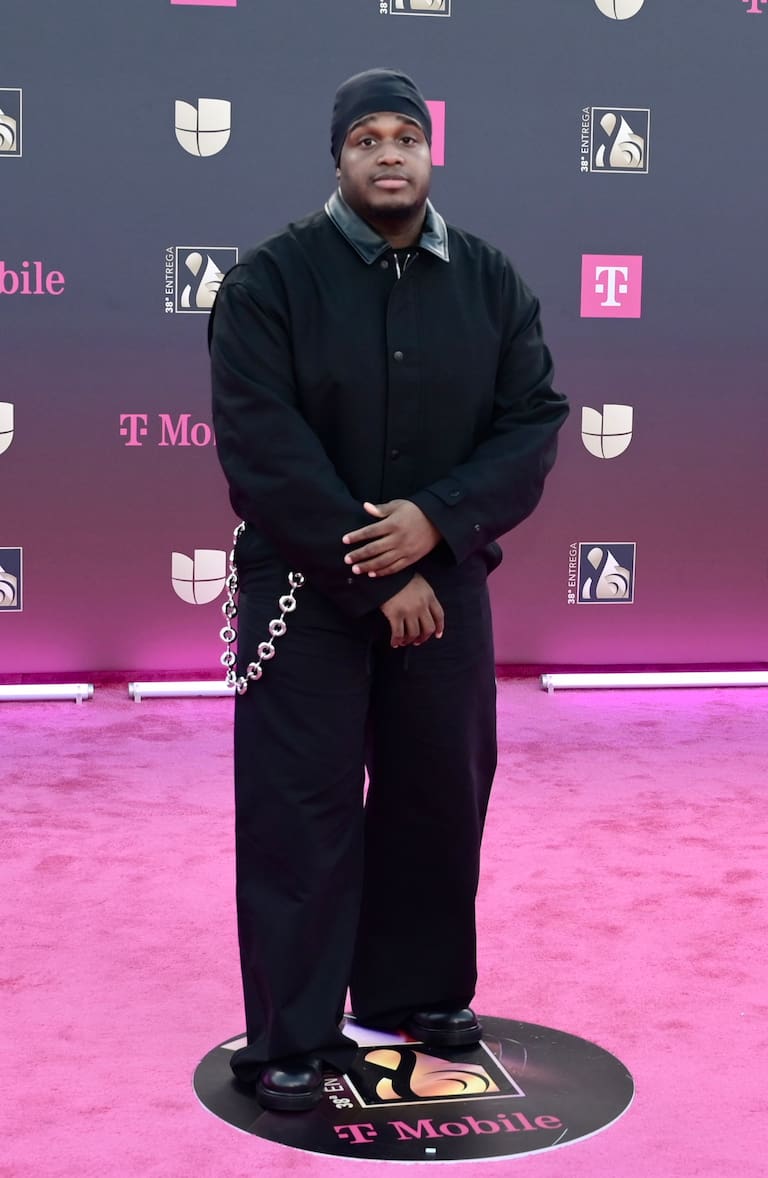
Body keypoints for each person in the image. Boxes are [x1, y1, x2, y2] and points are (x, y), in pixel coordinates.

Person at [209, 67, 569, 1112]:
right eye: (364, 138)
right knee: (301, 811)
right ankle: (292, 1031)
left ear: (429, 151)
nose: (388, 154)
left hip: (445, 583)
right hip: (304, 588)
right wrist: (378, 570)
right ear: (338, 158)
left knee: (437, 797)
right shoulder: (271, 280)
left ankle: (416, 991)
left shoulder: (492, 281)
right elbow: (264, 448)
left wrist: (437, 520)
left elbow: (532, 425)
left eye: (403, 136)